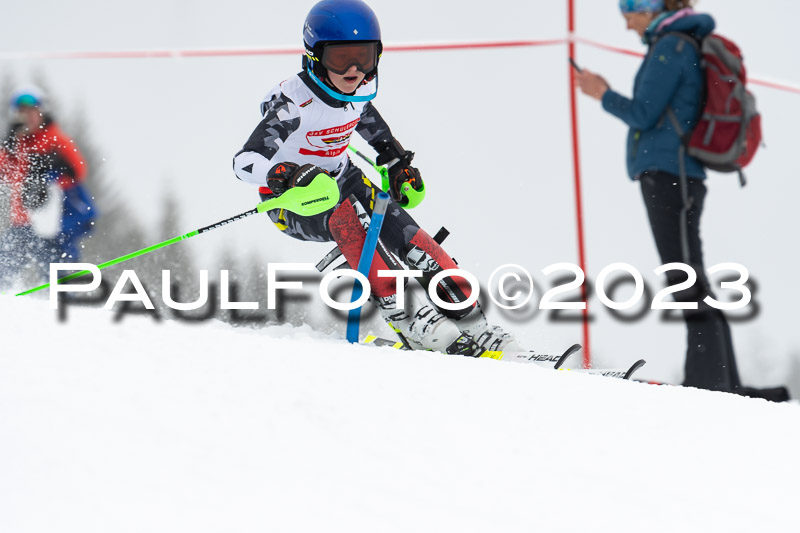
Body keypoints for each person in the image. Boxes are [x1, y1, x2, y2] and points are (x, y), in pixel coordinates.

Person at [233, 0, 520, 356]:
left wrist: (398, 165)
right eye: (341, 59)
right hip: (294, 203)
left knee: (417, 243)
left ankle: (474, 324)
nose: (354, 70)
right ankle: (410, 318)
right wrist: (286, 174)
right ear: (314, 55)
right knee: (349, 221)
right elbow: (244, 162)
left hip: (344, 180)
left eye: (365, 58)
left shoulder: (357, 95)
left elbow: (378, 136)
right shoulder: (293, 105)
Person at [574, 0, 789, 400]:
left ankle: (711, 382)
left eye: (629, 12)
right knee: (690, 276)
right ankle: (721, 380)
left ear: (650, 7)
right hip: (677, 176)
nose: (626, 23)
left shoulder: (671, 45)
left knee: (685, 278)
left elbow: (644, 113)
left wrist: (601, 93)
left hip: (671, 176)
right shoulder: (681, 41)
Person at [0, 86, 96, 287]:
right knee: (4, 268)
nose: (28, 117)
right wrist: (8, 146)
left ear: (41, 112)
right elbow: (5, 174)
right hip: (23, 223)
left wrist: (52, 174)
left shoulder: (55, 139)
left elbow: (78, 171)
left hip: (51, 225)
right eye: (22, 112)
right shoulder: (17, 143)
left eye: (32, 111)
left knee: (56, 282)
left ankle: (64, 309)